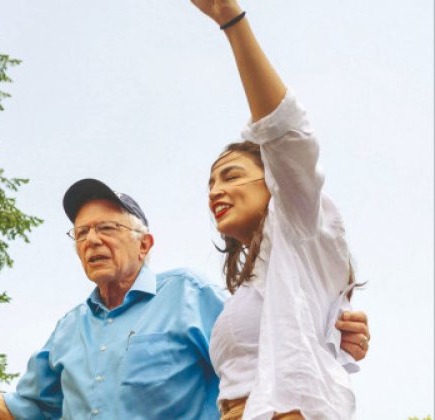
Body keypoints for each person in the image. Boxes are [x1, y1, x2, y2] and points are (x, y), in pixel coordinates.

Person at [0, 179, 369, 419]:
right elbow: (23, 410)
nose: (92, 241)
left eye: (107, 229)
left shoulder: (189, 294)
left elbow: (268, 353)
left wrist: (333, 337)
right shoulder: (67, 329)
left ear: (145, 244)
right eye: (81, 234)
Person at [197, 0, 367, 418]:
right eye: (211, 183)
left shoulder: (299, 223)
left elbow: (287, 135)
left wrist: (230, 19)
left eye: (232, 176)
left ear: (274, 183)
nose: (215, 191)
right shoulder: (259, 283)